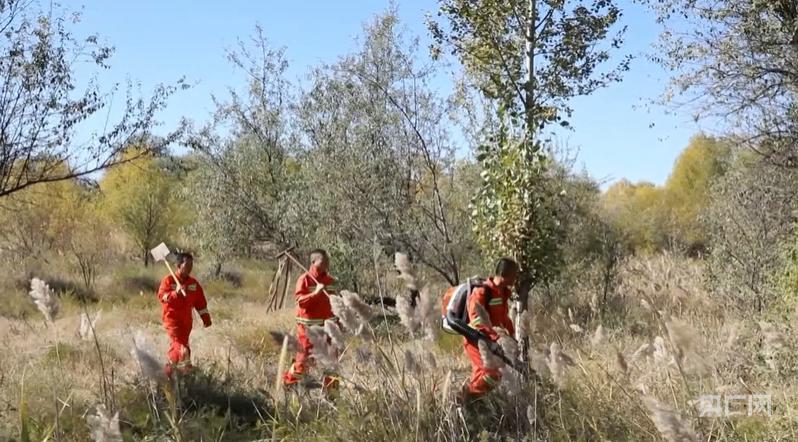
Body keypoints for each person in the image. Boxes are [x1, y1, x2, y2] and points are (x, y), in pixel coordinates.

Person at [460, 257, 519, 399]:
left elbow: (504, 320)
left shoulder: (503, 293)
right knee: (492, 374)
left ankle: (473, 404)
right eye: (514, 275)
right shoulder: (482, 292)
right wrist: (495, 338)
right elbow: (477, 320)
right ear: (504, 274)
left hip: (492, 342)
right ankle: (466, 399)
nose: (516, 278)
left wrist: (512, 339)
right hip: (476, 341)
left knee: (482, 375)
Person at [283, 249, 339, 394]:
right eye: (323, 261)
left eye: (328, 261)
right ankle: (289, 385)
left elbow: (335, 304)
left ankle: (332, 394)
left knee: (333, 362)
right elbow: (301, 302)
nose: (327, 264)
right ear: (313, 262)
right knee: (303, 362)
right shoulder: (304, 280)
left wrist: (339, 322)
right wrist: (315, 293)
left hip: (329, 330)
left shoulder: (331, 281)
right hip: (308, 331)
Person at [156, 252, 212, 378]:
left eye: (191, 265)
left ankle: (180, 376)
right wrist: (175, 293)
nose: (190, 268)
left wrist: (206, 318)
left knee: (185, 350)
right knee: (181, 349)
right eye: (187, 265)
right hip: (172, 322)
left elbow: (200, 303)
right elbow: (162, 297)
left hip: (186, 324)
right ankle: (170, 374)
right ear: (179, 265)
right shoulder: (169, 281)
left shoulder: (193, 284)